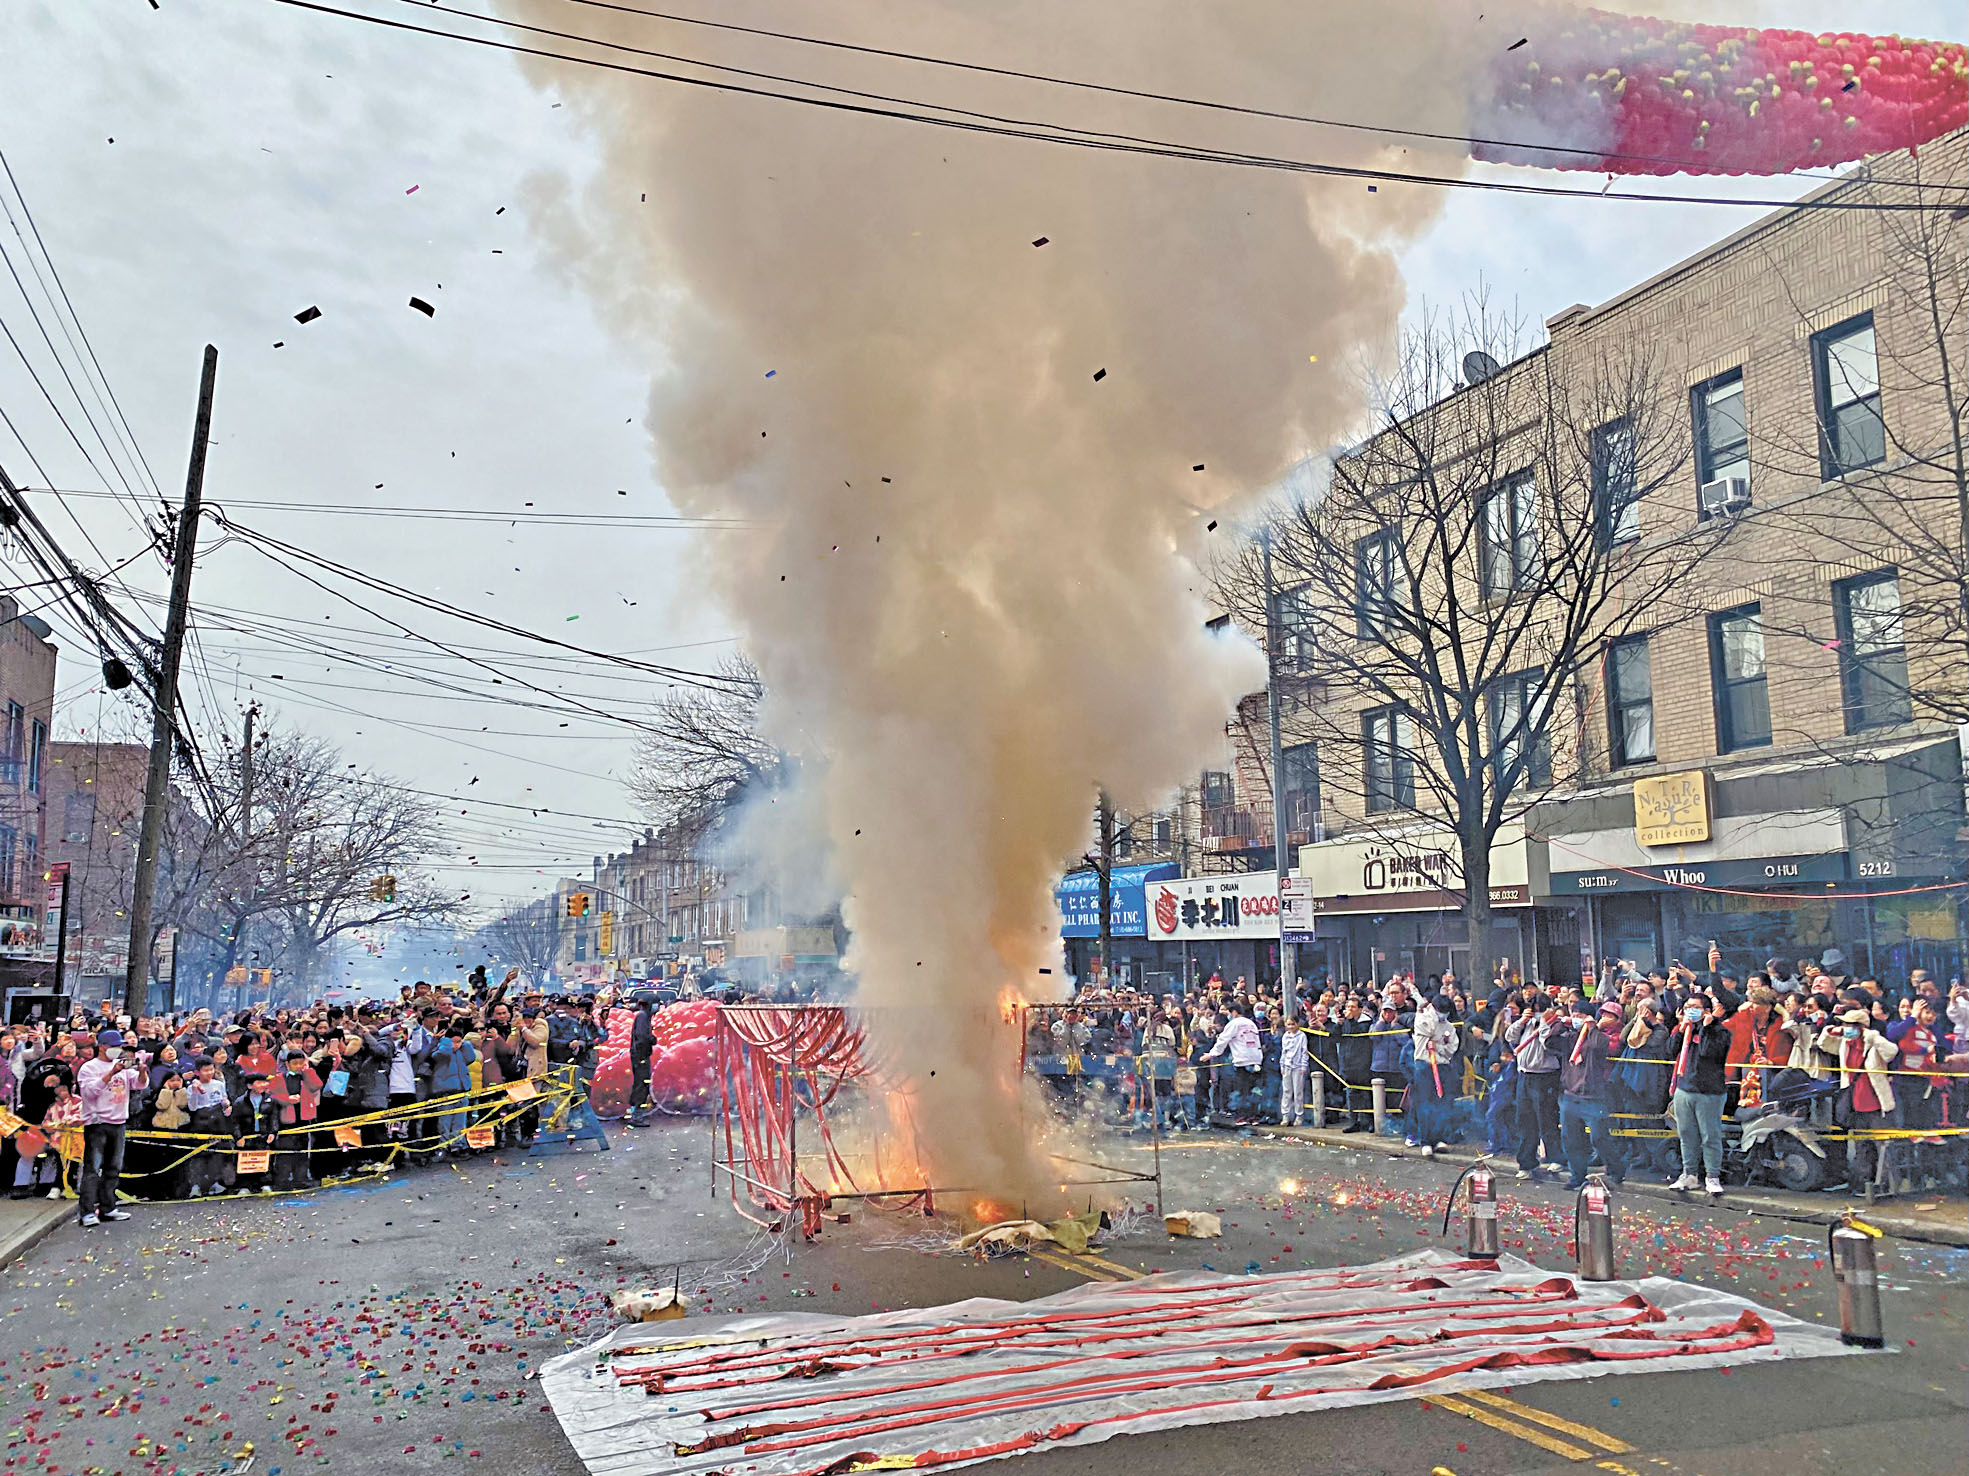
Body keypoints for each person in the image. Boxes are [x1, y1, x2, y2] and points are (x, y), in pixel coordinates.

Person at [1817, 1007, 1900, 1195]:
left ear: (1860, 1027)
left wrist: (1873, 1037)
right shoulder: (1845, 1043)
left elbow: (1891, 1051)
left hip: (1876, 1103)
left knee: (1883, 1145)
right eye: (1844, 1024)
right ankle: (1865, 1183)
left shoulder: (1872, 1043)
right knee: (1862, 1145)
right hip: (1854, 1102)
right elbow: (1824, 1044)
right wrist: (1828, 1030)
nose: (1845, 1028)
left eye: (1849, 1025)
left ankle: (1888, 1184)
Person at [75, 1029, 147, 1227]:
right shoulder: (89, 1068)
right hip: (97, 1123)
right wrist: (110, 1073)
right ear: (103, 1046)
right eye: (114, 1046)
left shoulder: (123, 1067)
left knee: (113, 1168)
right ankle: (87, 1211)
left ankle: (108, 1207)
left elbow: (139, 1085)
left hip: (119, 1122)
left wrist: (141, 1071)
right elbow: (89, 1093)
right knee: (92, 1168)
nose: (118, 1050)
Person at [1668, 991, 1733, 1196]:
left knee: (1709, 1135)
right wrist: (1681, 1029)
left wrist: (1706, 1027)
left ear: (1706, 1011)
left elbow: (1708, 1052)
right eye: (1687, 1007)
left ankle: (1712, 1175)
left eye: (1695, 1007)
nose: (1690, 1011)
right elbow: (1671, 1050)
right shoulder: (1685, 1028)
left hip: (1709, 1091)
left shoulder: (1720, 1032)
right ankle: (1689, 1174)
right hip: (1684, 1087)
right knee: (1686, 1133)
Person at [1559, 998, 1623, 1188]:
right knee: (1571, 1139)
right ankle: (1577, 1175)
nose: (1577, 1017)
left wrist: (1591, 1028)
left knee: (1599, 1137)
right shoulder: (1569, 1037)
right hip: (1570, 1095)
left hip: (1593, 1097)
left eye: (1581, 1014)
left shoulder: (1600, 1037)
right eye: (1574, 1013)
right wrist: (1560, 1022)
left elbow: (1598, 1046)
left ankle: (1615, 1168)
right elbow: (1550, 1041)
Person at [1505, 993, 1566, 1180]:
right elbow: (1510, 1036)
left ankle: (1556, 1157)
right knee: (1525, 1120)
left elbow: (1549, 1044)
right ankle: (1526, 1161)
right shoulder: (1528, 1023)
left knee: (1546, 1118)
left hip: (1545, 1076)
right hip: (1524, 1075)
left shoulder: (1557, 1023)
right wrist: (1522, 1021)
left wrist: (1546, 1023)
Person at [1405, 995, 1459, 1152]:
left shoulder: (1449, 1027)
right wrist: (1431, 1014)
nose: (1443, 1015)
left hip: (1443, 1065)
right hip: (1424, 1065)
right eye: (1440, 1011)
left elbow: (1451, 1048)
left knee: (1441, 1104)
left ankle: (1439, 1138)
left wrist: (1439, 1046)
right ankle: (1426, 1140)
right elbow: (1429, 1030)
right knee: (1424, 1104)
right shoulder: (1421, 1019)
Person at [268, 1050, 323, 1190]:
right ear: (287, 1064)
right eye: (294, 1063)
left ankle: (301, 1178)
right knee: (286, 1152)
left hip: (303, 1118)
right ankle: (282, 1180)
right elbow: (272, 1096)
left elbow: (317, 1085)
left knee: (303, 1150)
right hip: (286, 1120)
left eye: (300, 1063)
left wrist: (307, 1070)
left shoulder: (306, 1076)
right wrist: (287, 1100)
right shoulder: (279, 1078)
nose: (298, 1066)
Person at [230, 1072, 281, 1196]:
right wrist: (238, 1136)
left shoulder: (270, 1099)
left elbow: (273, 1118)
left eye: (264, 1082)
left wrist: (273, 1132)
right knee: (245, 1160)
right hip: (247, 1135)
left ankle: (265, 1183)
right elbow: (235, 1121)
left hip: (263, 1135)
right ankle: (245, 1185)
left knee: (264, 1159)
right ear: (250, 1085)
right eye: (259, 1082)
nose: (263, 1085)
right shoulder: (240, 1102)